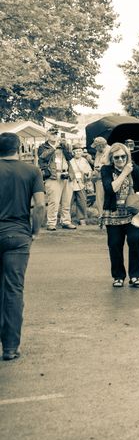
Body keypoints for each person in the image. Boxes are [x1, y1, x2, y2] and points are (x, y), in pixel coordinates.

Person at [0, 132, 45, 361]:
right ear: (18, 148)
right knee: (13, 290)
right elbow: (39, 206)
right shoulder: (32, 171)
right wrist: (35, 230)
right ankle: (10, 347)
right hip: (17, 235)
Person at [99, 143, 139, 288]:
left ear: (127, 156)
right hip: (113, 214)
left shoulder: (135, 169)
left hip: (134, 214)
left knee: (135, 242)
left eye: (123, 157)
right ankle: (118, 276)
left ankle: (135, 276)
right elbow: (110, 189)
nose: (120, 160)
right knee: (114, 245)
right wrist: (125, 172)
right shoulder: (106, 170)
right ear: (111, 158)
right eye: (116, 157)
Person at [37, 128, 74, 231]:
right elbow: (42, 157)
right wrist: (54, 148)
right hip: (53, 176)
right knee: (54, 201)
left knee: (66, 201)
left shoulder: (62, 146)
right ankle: (51, 223)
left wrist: (65, 146)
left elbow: (70, 157)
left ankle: (66, 221)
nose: (55, 135)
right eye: (52, 134)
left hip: (66, 173)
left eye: (56, 134)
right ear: (47, 135)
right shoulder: (42, 147)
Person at [68, 146, 94, 225]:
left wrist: (88, 174)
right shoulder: (70, 161)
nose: (78, 153)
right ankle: (67, 219)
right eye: (76, 151)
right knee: (69, 201)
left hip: (81, 184)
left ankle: (82, 219)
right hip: (71, 184)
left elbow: (89, 171)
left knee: (82, 201)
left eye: (80, 151)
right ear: (73, 152)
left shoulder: (84, 160)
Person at [91, 137, 110, 230]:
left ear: (101, 145)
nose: (95, 149)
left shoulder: (110, 151)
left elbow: (113, 164)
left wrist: (102, 168)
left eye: (96, 146)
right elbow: (95, 164)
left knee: (107, 199)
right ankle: (101, 219)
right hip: (98, 179)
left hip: (108, 179)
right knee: (99, 200)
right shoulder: (98, 152)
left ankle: (108, 220)